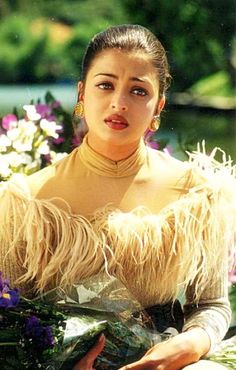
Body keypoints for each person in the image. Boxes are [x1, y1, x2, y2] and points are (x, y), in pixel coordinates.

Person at [0, 24, 235, 370]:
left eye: (138, 91)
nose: (119, 102)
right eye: (105, 84)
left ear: (159, 107)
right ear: (82, 94)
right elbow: (11, 318)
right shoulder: (27, 202)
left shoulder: (198, 194)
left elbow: (211, 304)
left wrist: (187, 346)